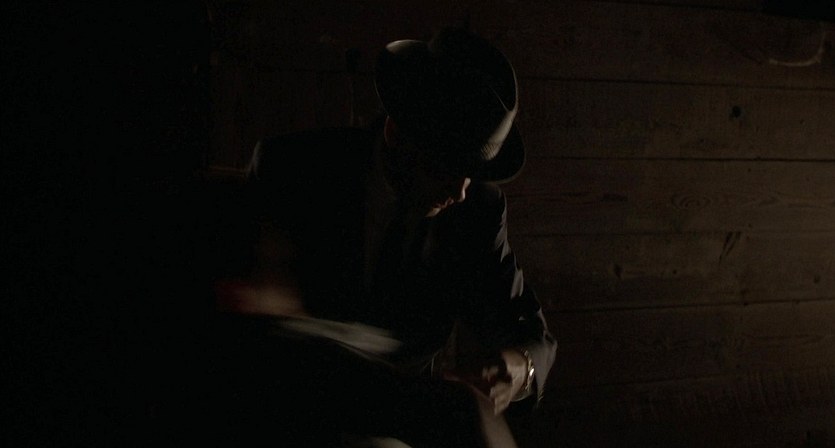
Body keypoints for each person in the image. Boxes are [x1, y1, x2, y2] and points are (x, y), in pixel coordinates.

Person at [236, 26, 557, 446]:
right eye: (445, 167)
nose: (460, 191)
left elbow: (528, 331)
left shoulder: (476, 211)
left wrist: (519, 368)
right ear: (395, 134)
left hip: (403, 429)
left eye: (471, 173)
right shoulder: (293, 170)